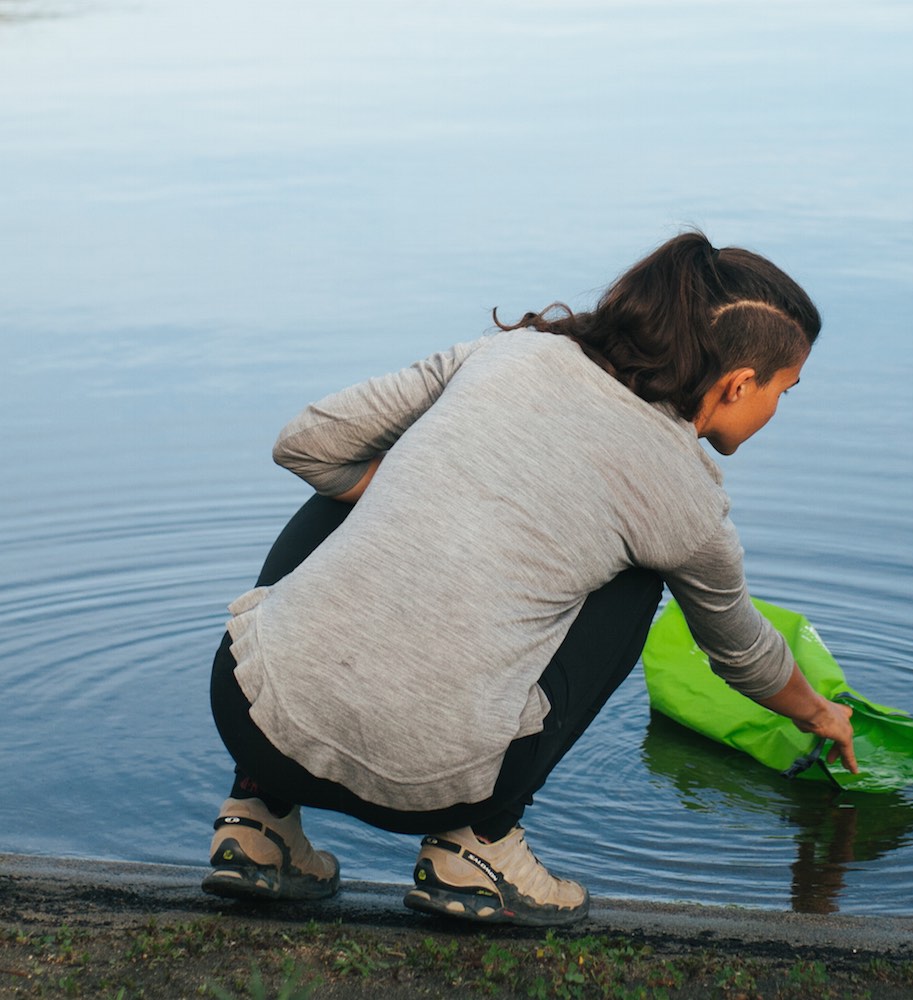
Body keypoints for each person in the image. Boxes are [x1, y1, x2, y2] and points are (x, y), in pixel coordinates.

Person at [203, 230, 858, 927]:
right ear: (737, 384)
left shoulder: (507, 354)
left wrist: (431, 492)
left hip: (248, 717)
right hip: (434, 782)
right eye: (785, 390)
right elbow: (740, 652)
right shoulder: (685, 499)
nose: (779, 409)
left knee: (349, 486)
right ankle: (479, 846)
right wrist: (820, 713)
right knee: (641, 578)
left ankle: (257, 821)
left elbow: (306, 444)